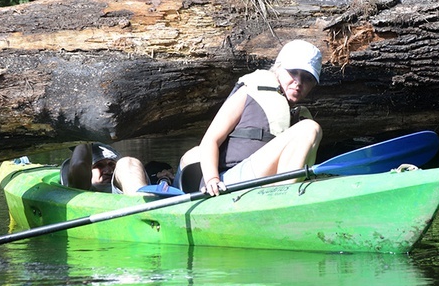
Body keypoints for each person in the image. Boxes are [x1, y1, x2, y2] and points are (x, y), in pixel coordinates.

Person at [178, 39, 323, 196]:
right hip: (229, 182)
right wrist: (212, 179)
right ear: (279, 68)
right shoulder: (249, 92)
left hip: (263, 182)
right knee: (310, 128)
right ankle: (283, 199)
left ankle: (285, 196)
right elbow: (210, 140)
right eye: (293, 72)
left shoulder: (297, 116)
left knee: (310, 129)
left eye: (308, 78)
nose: (298, 82)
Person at [60, 143, 150, 195]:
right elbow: (79, 165)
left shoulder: (122, 183)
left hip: (132, 199)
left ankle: (144, 203)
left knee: (127, 162)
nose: (108, 171)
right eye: (99, 166)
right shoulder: (79, 183)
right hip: (85, 196)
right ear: (88, 170)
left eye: (112, 165)